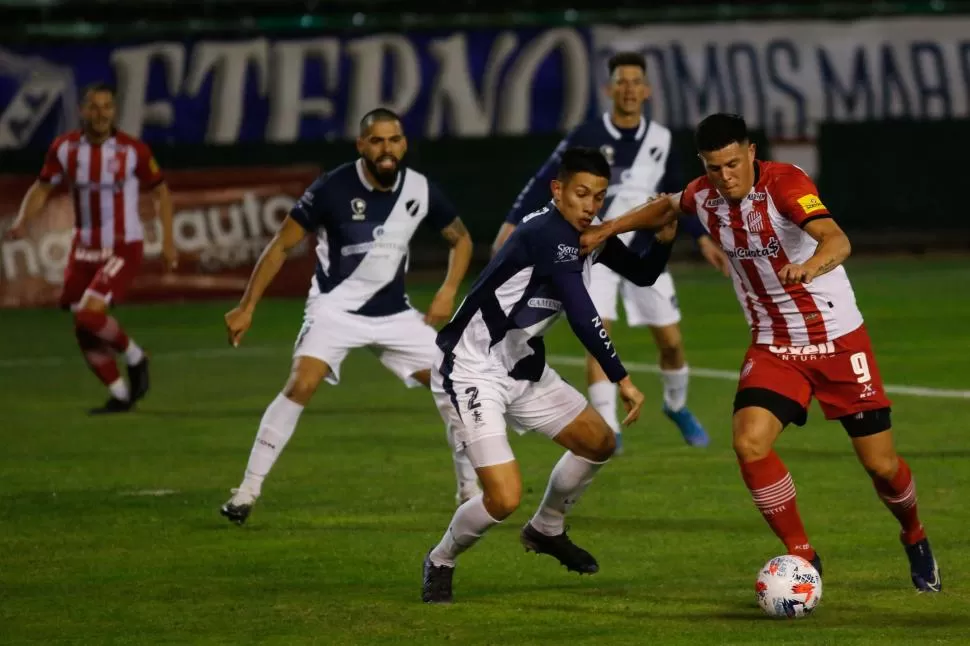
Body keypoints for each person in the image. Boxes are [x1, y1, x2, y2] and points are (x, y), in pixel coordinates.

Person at [580, 113, 941, 593]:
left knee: (881, 466)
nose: (725, 176)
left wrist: (810, 266)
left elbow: (838, 239)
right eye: (714, 167)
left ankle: (914, 535)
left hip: (837, 341)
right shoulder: (703, 195)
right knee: (749, 442)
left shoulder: (785, 184)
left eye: (732, 163)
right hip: (773, 346)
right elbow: (665, 207)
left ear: (751, 152)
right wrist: (608, 229)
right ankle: (803, 556)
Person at [421, 147, 678, 604]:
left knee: (599, 442)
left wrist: (663, 239)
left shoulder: (587, 232)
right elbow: (581, 314)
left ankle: (546, 529)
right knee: (502, 498)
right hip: (474, 368)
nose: (590, 206)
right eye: (581, 194)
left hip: (521, 365)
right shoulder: (544, 232)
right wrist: (622, 378)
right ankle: (441, 559)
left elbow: (641, 274)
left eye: (599, 197)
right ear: (557, 190)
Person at [220, 108, 479, 525]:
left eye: (393, 140)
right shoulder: (331, 188)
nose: (386, 149)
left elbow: (461, 239)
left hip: (394, 315)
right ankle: (246, 492)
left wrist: (448, 290)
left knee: (456, 386)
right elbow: (282, 245)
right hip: (335, 310)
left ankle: (470, 491)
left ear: (404, 143)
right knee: (301, 383)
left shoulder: (419, 189)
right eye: (376, 141)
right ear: (361, 145)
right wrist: (247, 306)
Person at [494, 52, 729, 452]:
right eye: (621, 81)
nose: (629, 89)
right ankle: (608, 426)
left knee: (671, 341)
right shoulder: (586, 134)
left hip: (639, 248)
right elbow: (545, 178)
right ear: (609, 89)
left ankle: (677, 407)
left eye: (636, 82)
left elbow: (677, 196)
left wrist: (703, 237)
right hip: (594, 247)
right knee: (597, 329)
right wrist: (513, 221)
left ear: (647, 90)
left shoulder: (661, 139)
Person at [5, 82, 177, 414]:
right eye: (94, 107)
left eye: (107, 107)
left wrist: (168, 240)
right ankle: (121, 395)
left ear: (114, 111)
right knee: (82, 327)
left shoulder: (132, 150)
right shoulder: (64, 148)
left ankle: (136, 357)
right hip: (83, 248)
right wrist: (24, 220)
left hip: (123, 246)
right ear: (83, 111)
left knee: (89, 314)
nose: (101, 114)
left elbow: (161, 192)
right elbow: (42, 187)